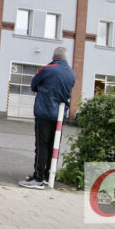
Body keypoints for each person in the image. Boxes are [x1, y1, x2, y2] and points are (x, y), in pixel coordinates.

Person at [19, 47, 76, 190]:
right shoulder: (71, 74)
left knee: (41, 145)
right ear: (66, 58)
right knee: (53, 146)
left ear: (54, 57)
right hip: (59, 116)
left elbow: (33, 85)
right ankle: (47, 175)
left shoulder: (48, 69)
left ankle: (37, 178)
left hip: (44, 112)